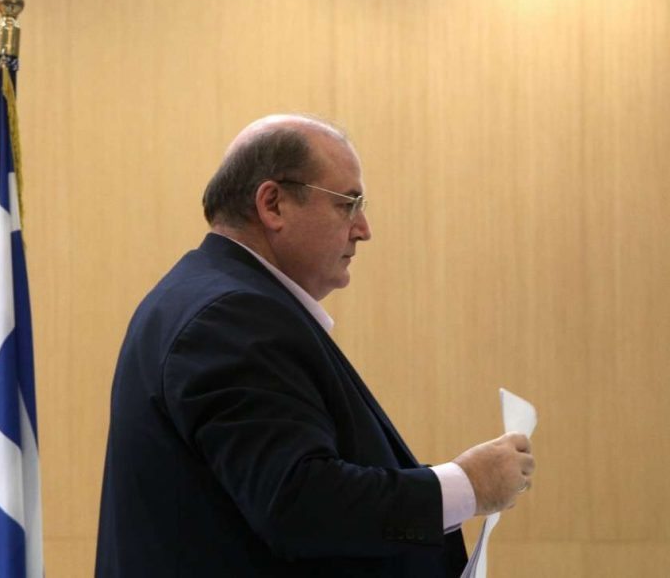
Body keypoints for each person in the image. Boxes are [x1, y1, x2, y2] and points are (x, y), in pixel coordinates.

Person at [95, 114, 535, 577]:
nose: (363, 228)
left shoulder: (210, 300)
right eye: (348, 204)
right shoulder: (230, 318)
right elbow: (300, 503)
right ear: (273, 204)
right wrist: (468, 485)